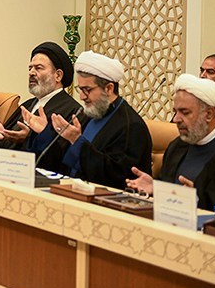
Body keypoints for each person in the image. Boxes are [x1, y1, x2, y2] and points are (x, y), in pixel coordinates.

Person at [127, 74, 215, 219]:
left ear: (209, 114)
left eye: (185, 112)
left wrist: (197, 200)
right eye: (175, 111)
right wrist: (156, 188)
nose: (176, 119)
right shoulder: (177, 146)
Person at [24, 50, 152, 189]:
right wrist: (45, 133)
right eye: (80, 89)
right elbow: (61, 164)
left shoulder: (131, 126)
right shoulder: (87, 114)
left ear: (109, 89)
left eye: (87, 90)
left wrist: (77, 142)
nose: (82, 97)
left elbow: (116, 177)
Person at [0, 41, 81, 150]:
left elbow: (62, 154)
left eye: (38, 68)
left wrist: (28, 138)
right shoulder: (28, 105)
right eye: (30, 68)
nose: (31, 73)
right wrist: (3, 136)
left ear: (58, 75)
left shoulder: (73, 111)